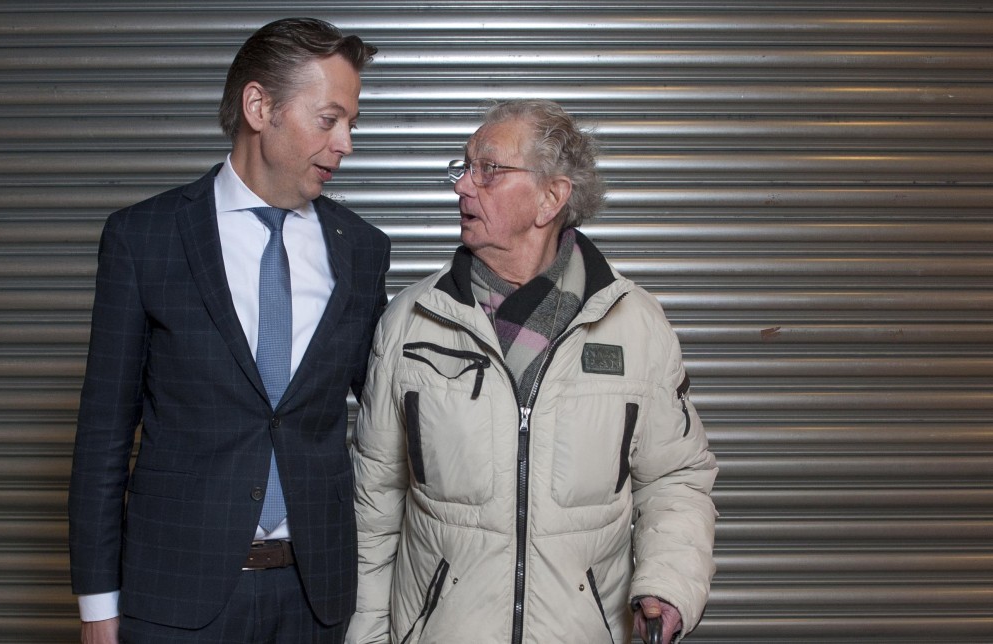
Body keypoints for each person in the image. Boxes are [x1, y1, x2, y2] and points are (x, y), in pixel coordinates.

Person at [345, 99, 717, 644]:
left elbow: (675, 479)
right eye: (464, 167)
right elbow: (374, 505)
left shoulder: (634, 324)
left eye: (488, 170)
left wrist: (667, 583)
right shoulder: (410, 321)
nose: (463, 186)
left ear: (551, 198)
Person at [68, 17, 390, 644]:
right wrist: (97, 606)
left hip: (316, 600)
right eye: (328, 120)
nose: (346, 142)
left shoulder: (362, 250)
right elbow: (103, 434)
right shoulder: (145, 238)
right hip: (173, 601)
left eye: (351, 122)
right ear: (258, 106)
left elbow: (389, 413)